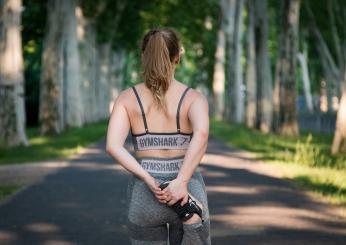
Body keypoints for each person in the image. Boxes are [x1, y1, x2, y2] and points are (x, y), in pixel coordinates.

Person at [106, 27, 211, 245]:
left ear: (143, 55)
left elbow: (113, 146)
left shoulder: (127, 99)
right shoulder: (194, 98)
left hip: (146, 194)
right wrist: (181, 182)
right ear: (177, 57)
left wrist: (148, 178)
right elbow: (201, 134)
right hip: (186, 193)